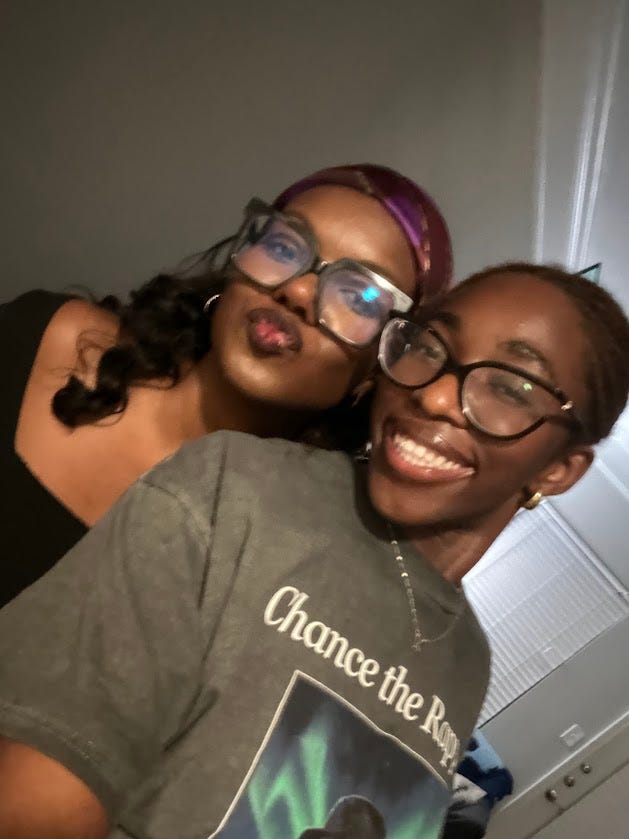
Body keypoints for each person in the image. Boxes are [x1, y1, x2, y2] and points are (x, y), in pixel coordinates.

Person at [1, 262, 627, 839]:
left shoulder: (469, 661)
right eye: (431, 348)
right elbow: (38, 795)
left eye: (511, 389)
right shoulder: (238, 487)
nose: (434, 394)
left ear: (558, 469)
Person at [1, 163, 452, 607]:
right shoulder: (58, 340)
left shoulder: (288, 568)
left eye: (358, 296)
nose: (297, 291)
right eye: (284, 246)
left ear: (377, 369)